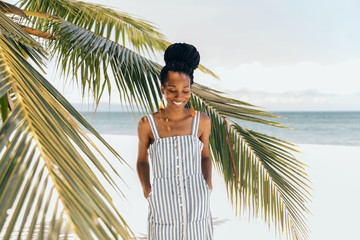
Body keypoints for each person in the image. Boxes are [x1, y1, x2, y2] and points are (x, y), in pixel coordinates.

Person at [136, 43, 214, 239]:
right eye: (172, 90)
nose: (179, 96)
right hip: (163, 203)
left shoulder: (201, 121)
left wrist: (208, 184)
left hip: (197, 201)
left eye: (185, 91)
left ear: (190, 90)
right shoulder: (148, 124)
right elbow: (142, 161)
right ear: (163, 88)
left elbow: (206, 157)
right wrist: (147, 189)